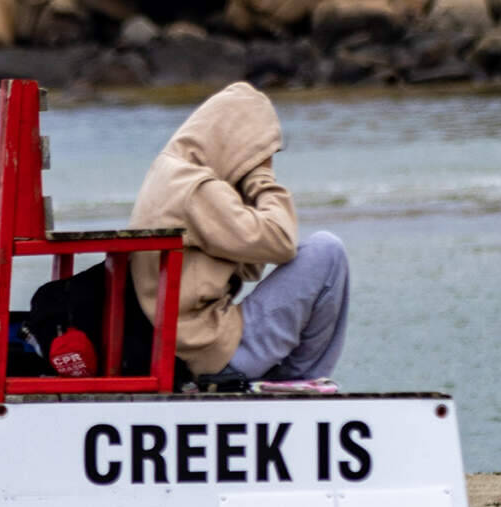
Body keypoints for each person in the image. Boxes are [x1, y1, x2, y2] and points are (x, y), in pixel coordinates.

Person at [127, 82, 349, 395]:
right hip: (212, 351)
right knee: (327, 251)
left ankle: (291, 380)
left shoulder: (170, 174)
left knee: (315, 253)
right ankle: (299, 382)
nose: (263, 160)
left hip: (180, 347)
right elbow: (281, 241)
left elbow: (250, 265)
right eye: (262, 152)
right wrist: (262, 180)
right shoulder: (197, 189)